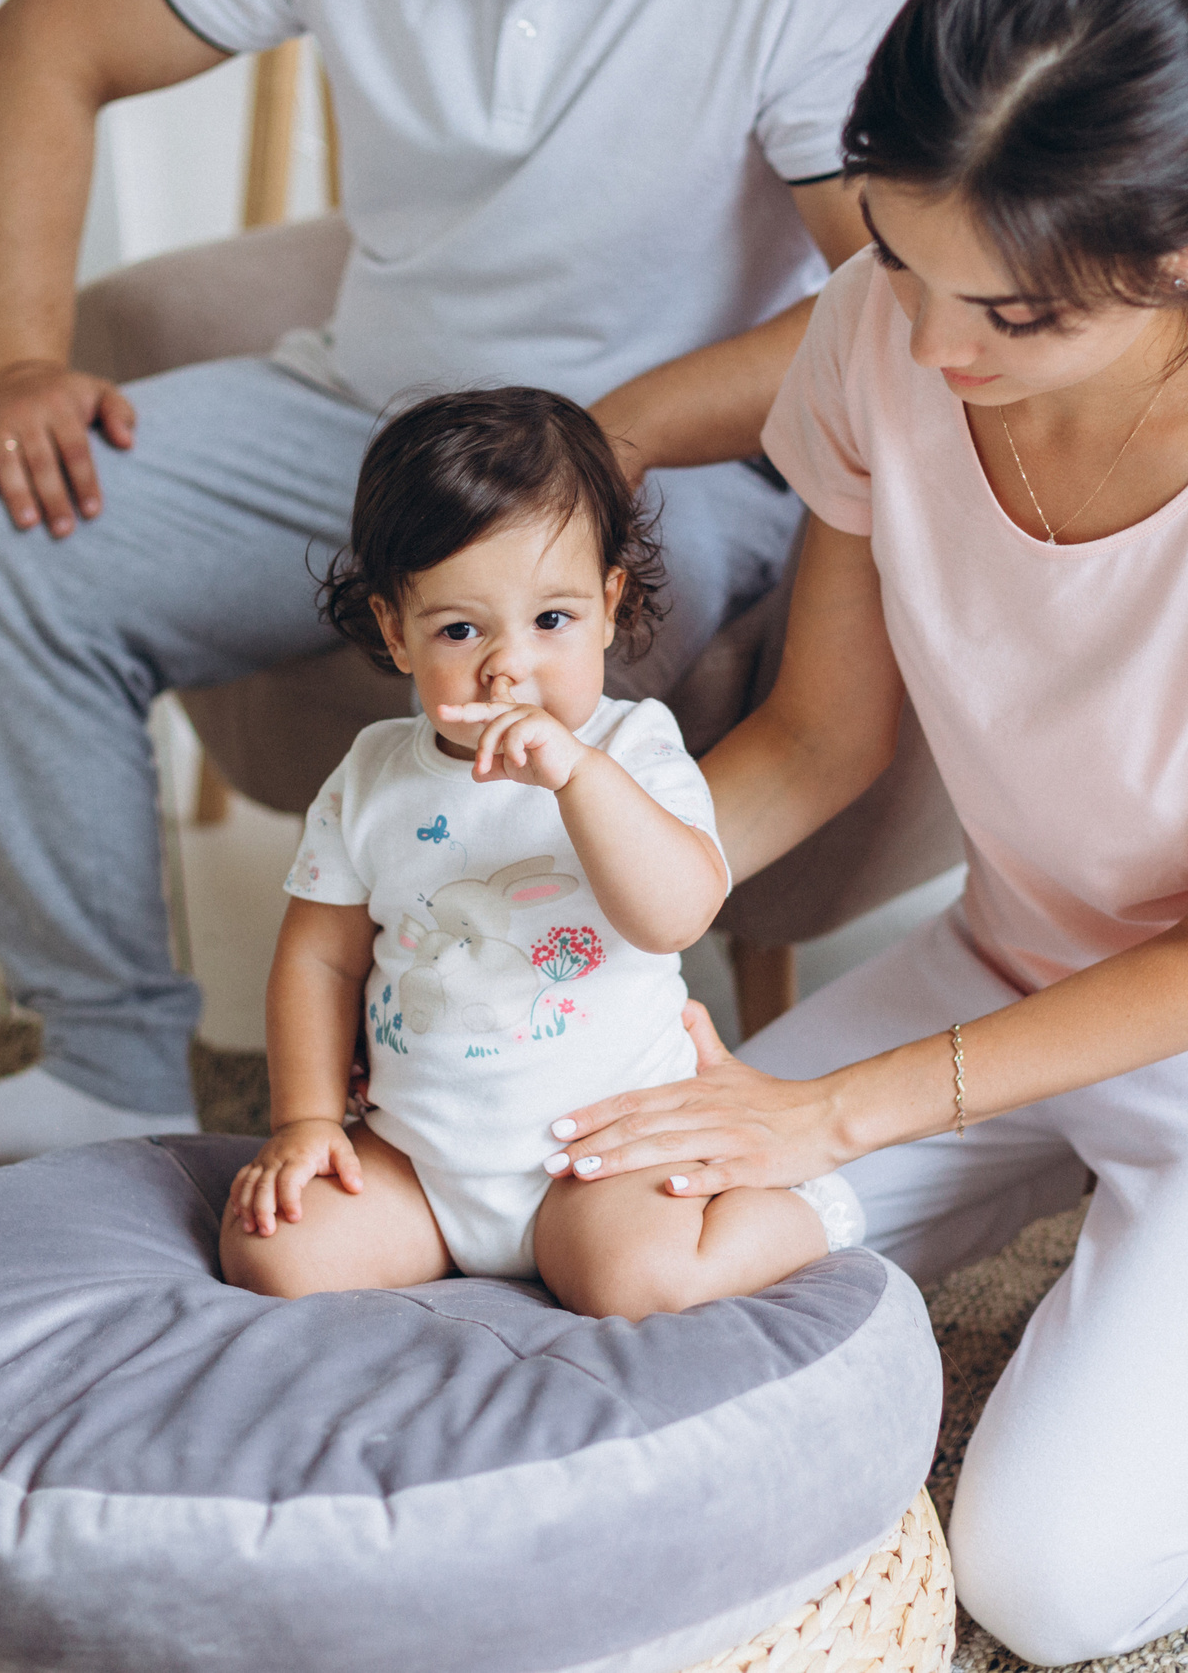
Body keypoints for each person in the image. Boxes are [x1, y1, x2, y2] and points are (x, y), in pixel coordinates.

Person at [534, 0, 1188, 1660]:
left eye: (1012, 315)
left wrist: (833, 1119)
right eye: (905, 257)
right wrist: (551, 889)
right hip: (1015, 969)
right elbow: (816, 741)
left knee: (1049, 1581)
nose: (932, 348)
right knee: (612, 1239)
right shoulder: (886, 331)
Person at [0, 0, 919, 1174]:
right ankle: (107, 1069)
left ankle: (515, 1082)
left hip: (666, 449)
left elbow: (880, 289)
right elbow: (44, 37)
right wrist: (14, 366)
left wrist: (593, 450)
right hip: (365, 418)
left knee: (548, 648)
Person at [217, 388, 862, 1317]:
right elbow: (318, 957)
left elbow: (676, 911)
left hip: (604, 1154)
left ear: (608, 607)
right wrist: (308, 1120)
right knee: (273, 1249)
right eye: (460, 629)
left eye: (550, 621)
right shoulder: (371, 778)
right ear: (395, 630)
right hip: (421, 1162)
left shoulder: (636, 749)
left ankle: (804, 1213)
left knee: (636, 1280)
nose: (507, 666)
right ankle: (435, 1260)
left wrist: (580, 778)